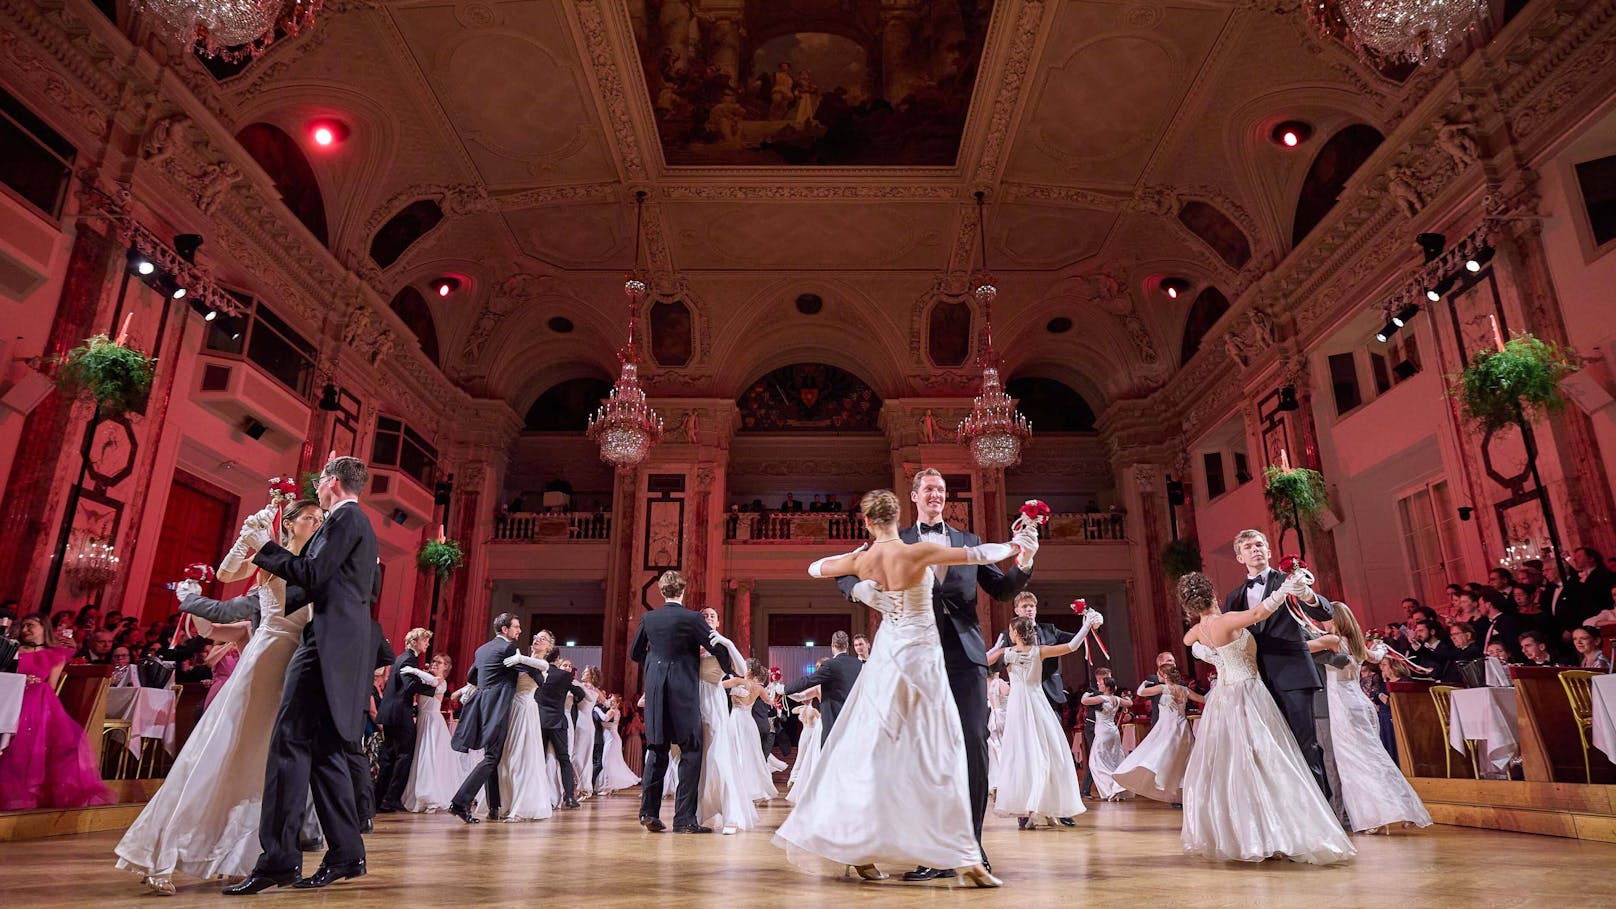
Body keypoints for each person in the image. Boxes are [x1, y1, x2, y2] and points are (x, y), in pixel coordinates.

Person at [775, 488, 1035, 887]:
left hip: (893, 659)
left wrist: (863, 580)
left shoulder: (865, 557)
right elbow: (982, 553)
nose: (936, 495)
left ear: (865, 521)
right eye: (928, 489)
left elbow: (817, 567)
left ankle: (879, 846)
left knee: (878, 747)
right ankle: (957, 855)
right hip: (921, 661)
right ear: (903, 509)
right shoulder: (916, 551)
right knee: (936, 748)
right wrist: (1017, 543)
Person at [113, 500, 322, 894]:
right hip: (267, 657)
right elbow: (227, 575)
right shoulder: (270, 557)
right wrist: (249, 535)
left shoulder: (312, 563)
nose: (316, 522)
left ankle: (236, 856)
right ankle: (162, 854)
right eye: (308, 516)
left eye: (320, 517)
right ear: (289, 523)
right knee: (222, 752)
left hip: (295, 665)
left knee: (259, 764)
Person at [226, 456, 379, 895]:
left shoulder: (345, 519)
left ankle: (278, 860)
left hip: (323, 646)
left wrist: (265, 548)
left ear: (330, 483)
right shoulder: (356, 525)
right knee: (327, 752)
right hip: (340, 646)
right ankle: (347, 854)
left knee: (288, 745)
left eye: (321, 482)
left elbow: (312, 575)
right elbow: (363, 589)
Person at [1179, 572, 1355, 864]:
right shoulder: (1225, 619)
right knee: (1269, 760)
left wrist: (1204, 651)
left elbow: (1188, 641)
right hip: (1247, 692)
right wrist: (1284, 590)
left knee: (1236, 766)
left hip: (1222, 699)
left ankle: (1245, 832)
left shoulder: (1199, 629)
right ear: (1211, 594)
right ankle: (1276, 831)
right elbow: (1260, 612)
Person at [1222, 529, 1335, 798]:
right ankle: (1284, 808)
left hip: (1293, 673)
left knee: (1304, 742)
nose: (1255, 549)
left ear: (1269, 551)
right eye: (1248, 547)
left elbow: (1323, 611)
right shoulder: (1233, 598)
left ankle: (1321, 809)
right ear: (1240, 557)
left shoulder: (1289, 581)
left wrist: (1307, 594)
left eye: (1259, 544)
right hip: (1255, 680)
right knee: (1267, 747)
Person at [1306, 603, 1433, 833]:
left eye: (1325, 618)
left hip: (1344, 707)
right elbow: (1376, 656)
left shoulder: (1333, 641)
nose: (1323, 623)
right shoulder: (1355, 643)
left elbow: (1301, 648)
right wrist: (1382, 648)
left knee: (1355, 762)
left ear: (1334, 620)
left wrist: (1304, 628)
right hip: (1360, 702)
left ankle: (1375, 817)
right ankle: (1403, 809)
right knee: (1375, 758)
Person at [632, 570, 737, 833]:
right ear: (683, 591)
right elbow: (716, 648)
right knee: (691, 750)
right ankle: (684, 819)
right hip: (683, 691)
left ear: (661, 591)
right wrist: (727, 668)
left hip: (656, 690)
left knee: (656, 750)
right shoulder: (692, 618)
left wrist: (657, 664)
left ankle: (648, 812)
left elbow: (635, 653)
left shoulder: (649, 617)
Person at [985, 611, 1103, 827]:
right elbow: (1072, 646)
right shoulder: (1038, 651)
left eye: (1011, 630)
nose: (1009, 633)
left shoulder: (1008, 651)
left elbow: (983, 661)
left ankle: (1036, 805)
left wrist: (996, 650)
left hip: (1020, 706)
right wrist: (1085, 626)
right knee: (1044, 752)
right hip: (1035, 702)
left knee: (1025, 754)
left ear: (1016, 632)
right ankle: (1040, 805)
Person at [0, 614, 114, 812]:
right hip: (14, 695)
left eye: (31, 626)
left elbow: (51, 686)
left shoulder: (55, 655)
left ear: (44, 628)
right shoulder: (14, 650)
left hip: (39, 700)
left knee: (57, 730)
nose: (26, 629)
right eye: (24, 626)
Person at [448, 613, 527, 823]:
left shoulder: (481, 649)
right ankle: (460, 802)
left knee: (491, 756)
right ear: (505, 629)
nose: (519, 631)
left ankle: (494, 806)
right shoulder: (509, 649)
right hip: (498, 707)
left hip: (482, 704)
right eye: (516, 627)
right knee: (492, 757)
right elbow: (523, 670)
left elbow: (472, 676)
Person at [1112, 663, 1203, 804]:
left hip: (1167, 727)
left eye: (1159, 674)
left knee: (1157, 754)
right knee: (1181, 759)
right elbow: (1203, 699)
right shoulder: (1184, 690)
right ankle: (1183, 791)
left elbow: (1140, 692)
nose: (1157, 676)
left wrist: (1145, 683)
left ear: (1165, 676)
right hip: (1182, 727)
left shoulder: (1163, 688)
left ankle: (1164, 783)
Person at [493, 635, 558, 821]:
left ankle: (521, 807)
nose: (537, 639)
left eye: (543, 638)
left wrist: (520, 658)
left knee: (520, 756)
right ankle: (507, 803)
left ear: (549, 648)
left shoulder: (540, 663)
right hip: (510, 708)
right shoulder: (519, 659)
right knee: (506, 758)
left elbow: (544, 668)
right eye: (536, 636)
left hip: (525, 709)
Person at [375, 628, 437, 813]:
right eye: (424, 640)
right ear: (414, 642)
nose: (427, 644)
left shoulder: (402, 658)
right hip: (400, 714)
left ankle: (379, 798)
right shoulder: (409, 659)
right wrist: (432, 685)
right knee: (403, 756)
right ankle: (390, 800)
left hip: (390, 713)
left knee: (388, 757)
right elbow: (409, 686)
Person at [715, 659, 779, 833]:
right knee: (749, 756)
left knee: (736, 754)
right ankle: (747, 789)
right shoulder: (758, 688)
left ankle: (737, 788)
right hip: (749, 723)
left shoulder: (737, 681)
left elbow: (717, 685)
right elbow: (770, 702)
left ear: (748, 669)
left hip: (735, 721)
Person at [530, 630, 586, 809]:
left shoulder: (538, 674)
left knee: (538, 758)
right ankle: (569, 797)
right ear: (557, 659)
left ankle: (537, 794)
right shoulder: (565, 676)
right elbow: (580, 693)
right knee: (564, 759)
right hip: (557, 721)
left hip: (538, 720)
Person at [399, 654, 462, 813]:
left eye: (439, 662)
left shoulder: (440, 681)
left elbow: (432, 683)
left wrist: (415, 671)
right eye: (434, 661)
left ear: (446, 667)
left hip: (432, 722)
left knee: (428, 757)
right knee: (419, 756)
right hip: (422, 719)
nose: (434, 664)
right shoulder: (427, 678)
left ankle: (429, 797)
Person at [782, 630, 861, 743]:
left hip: (833, 719)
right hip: (854, 719)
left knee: (830, 756)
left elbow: (808, 680)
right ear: (848, 645)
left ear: (832, 646)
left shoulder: (830, 665)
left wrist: (785, 689)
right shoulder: (858, 664)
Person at [1081, 676, 1132, 801]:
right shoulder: (1117, 699)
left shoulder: (1102, 698)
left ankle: (1112, 789)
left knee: (1095, 762)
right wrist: (1127, 697)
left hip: (1103, 732)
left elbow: (1084, 701)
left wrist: (1088, 692)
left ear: (1107, 687)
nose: (1099, 685)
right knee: (1113, 759)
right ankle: (1118, 787)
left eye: (1101, 684)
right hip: (1113, 731)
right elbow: (1130, 703)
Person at [594, 694, 641, 793]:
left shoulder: (612, 711)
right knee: (611, 763)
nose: (611, 702)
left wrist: (596, 709)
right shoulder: (616, 711)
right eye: (610, 701)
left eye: (613, 701)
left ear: (618, 704)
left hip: (612, 739)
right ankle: (612, 786)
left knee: (606, 762)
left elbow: (605, 718)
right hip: (611, 739)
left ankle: (607, 788)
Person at [785, 684, 821, 804]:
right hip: (812, 733)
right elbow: (821, 718)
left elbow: (793, 710)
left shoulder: (802, 709)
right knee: (808, 756)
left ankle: (793, 778)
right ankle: (804, 779)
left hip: (804, 734)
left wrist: (801, 707)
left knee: (800, 757)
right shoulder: (813, 710)